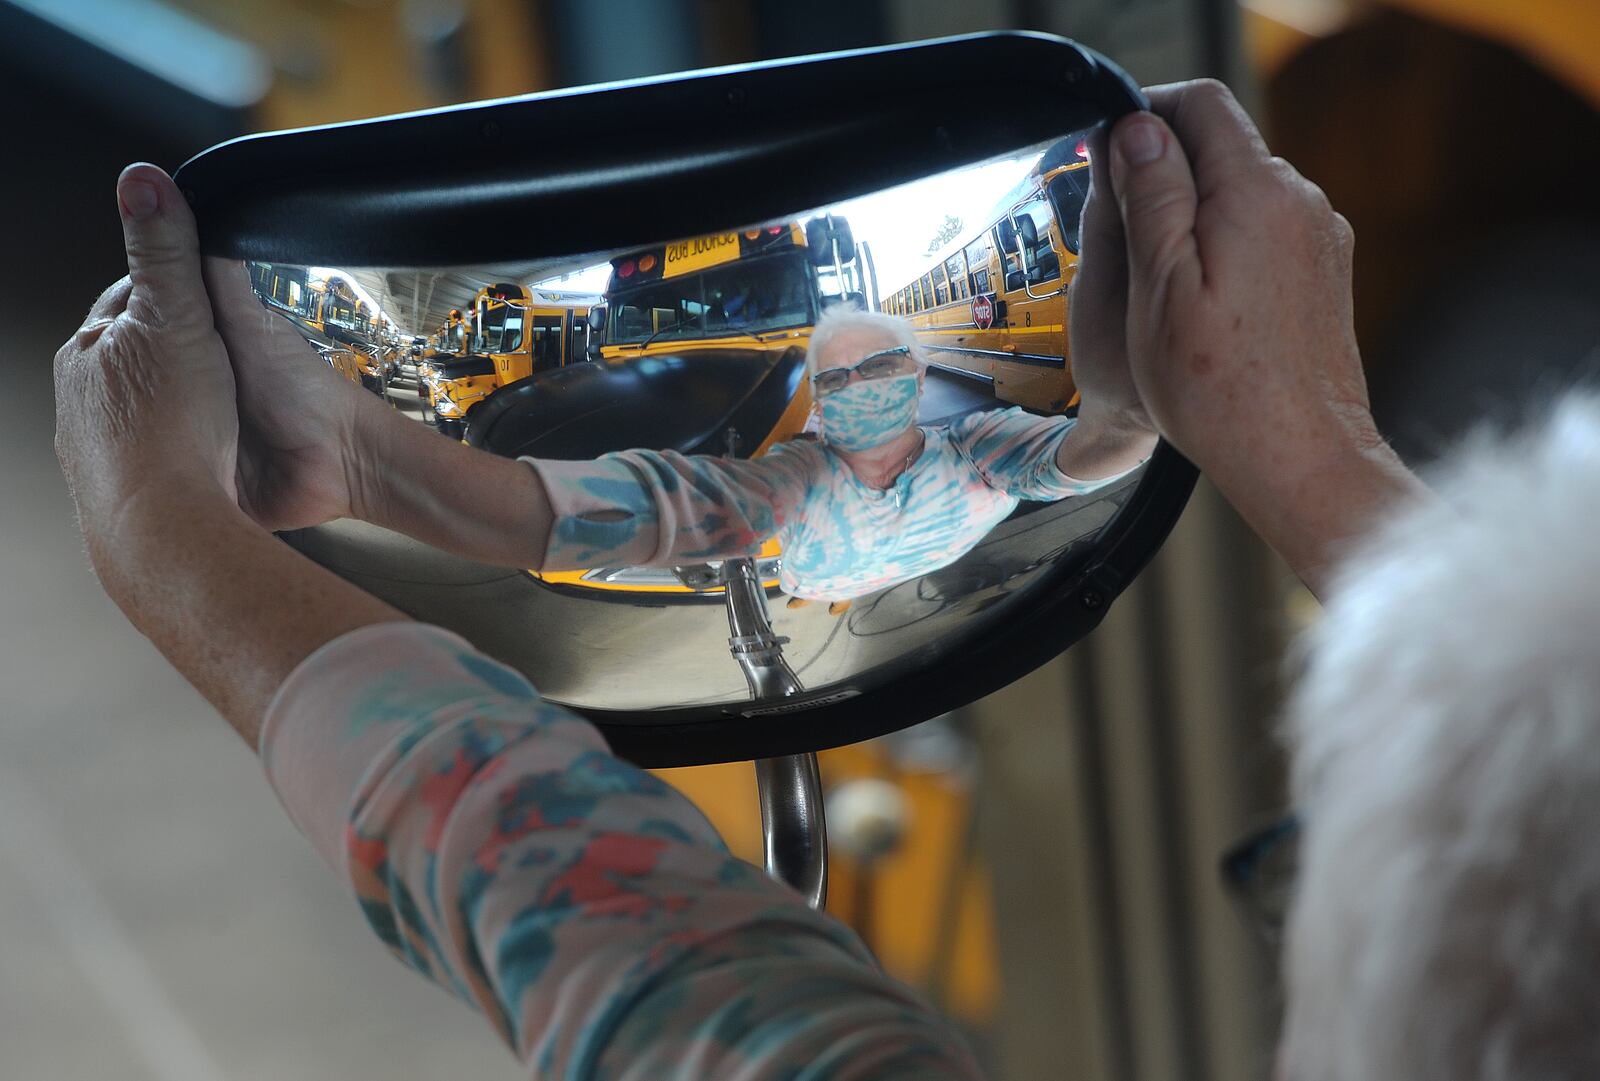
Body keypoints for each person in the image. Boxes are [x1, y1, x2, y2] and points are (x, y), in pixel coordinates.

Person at [58, 79, 1482, 1078]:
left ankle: (365, 468)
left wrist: (170, 544)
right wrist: (1301, 450)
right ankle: (364, 467)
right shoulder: (837, 478)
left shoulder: (941, 456)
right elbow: (1093, 447)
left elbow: (727, 1014)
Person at [516, 305, 1155, 600]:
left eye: (881, 364)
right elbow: (700, 503)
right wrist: (532, 513)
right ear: (818, 403)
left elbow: (1101, 443)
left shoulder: (978, 448)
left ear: (920, 375)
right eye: (836, 377)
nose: (861, 384)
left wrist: (1141, 387)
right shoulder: (805, 471)